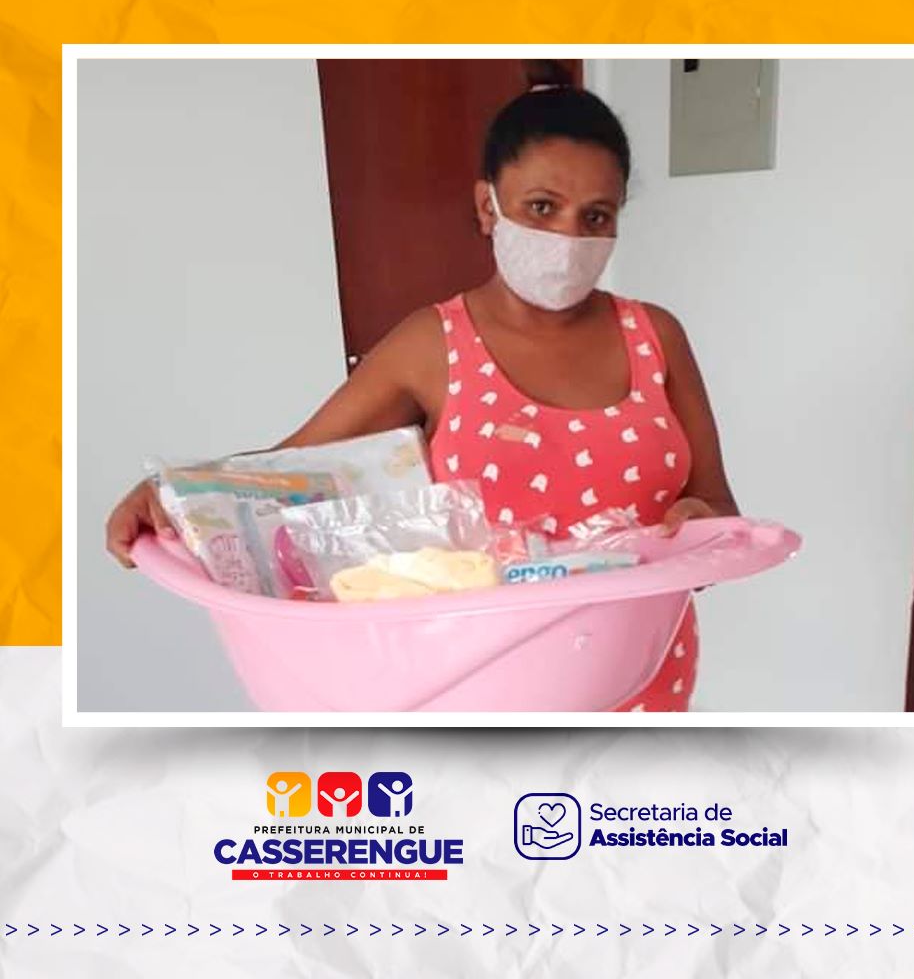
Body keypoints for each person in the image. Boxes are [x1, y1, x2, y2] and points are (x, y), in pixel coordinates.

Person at [106, 60, 739, 712]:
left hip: (645, 673)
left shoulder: (655, 336)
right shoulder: (433, 344)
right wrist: (173, 496)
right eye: (542, 207)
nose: (568, 237)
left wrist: (701, 532)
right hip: (477, 687)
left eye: (596, 216)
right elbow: (287, 472)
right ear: (488, 206)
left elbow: (716, 503)